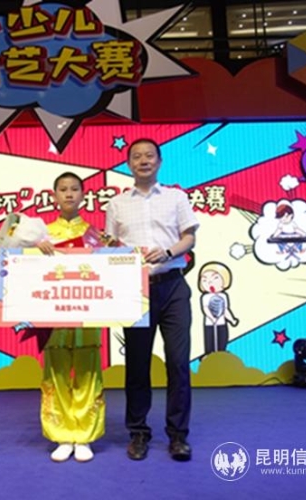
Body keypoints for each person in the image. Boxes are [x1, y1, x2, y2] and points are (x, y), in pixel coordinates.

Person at [105, 138, 199, 462]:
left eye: (149, 156)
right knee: (137, 364)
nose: (143, 161)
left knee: (178, 362)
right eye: (136, 156)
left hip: (173, 287)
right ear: (128, 164)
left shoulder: (176, 197)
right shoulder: (116, 204)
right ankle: (138, 433)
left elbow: (189, 237)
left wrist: (169, 251)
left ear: (159, 162)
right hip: (136, 290)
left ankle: (178, 435)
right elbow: (110, 246)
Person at [36, 172, 105, 463]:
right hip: (53, 319)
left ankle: (84, 436)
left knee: (88, 374)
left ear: (83, 195)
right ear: (54, 196)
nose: (68, 194)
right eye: (63, 189)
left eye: (74, 189)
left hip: (87, 317)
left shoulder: (95, 235)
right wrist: (34, 251)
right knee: (57, 374)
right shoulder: (42, 235)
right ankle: (63, 435)